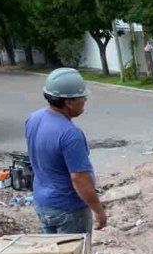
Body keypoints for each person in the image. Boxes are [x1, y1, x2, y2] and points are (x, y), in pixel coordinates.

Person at [25, 68, 107, 233]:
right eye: (82, 97)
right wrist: (98, 210)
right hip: (68, 210)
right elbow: (79, 179)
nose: (85, 100)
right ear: (69, 102)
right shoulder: (70, 134)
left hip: (43, 204)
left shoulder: (34, 118)